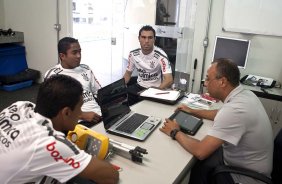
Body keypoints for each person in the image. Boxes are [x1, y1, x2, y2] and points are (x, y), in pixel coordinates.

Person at [160, 58, 273, 184]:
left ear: (222, 82)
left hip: (244, 178)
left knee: (194, 163)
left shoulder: (235, 110)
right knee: (198, 164)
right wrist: (191, 110)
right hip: (244, 164)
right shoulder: (245, 95)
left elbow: (200, 151)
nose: (205, 83)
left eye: (208, 79)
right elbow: (219, 114)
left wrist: (175, 132)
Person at [0, 75, 119, 184]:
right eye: (80, 108)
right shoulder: (49, 143)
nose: (80, 114)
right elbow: (111, 177)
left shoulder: (21, 105)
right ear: (66, 112)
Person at [45, 37, 101, 126]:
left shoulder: (85, 68)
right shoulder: (53, 75)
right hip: (78, 122)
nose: (79, 56)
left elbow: (99, 92)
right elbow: (49, 107)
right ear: (62, 56)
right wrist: (81, 115)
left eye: (80, 51)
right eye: (74, 53)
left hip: (99, 115)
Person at [123, 25, 173, 105]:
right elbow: (128, 74)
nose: (146, 41)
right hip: (139, 87)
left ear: (154, 39)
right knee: (123, 102)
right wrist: (120, 88)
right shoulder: (133, 54)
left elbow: (169, 79)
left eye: (150, 38)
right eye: (143, 37)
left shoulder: (161, 56)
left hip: (155, 88)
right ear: (139, 39)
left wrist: (154, 92)